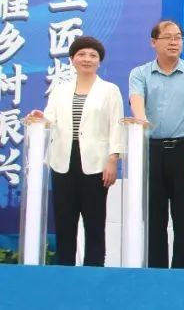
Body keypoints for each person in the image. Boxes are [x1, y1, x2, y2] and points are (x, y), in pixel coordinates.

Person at [27, 36, 124, 266]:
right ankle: (64, 271)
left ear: (99, 61)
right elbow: (50, 119)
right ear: (72, 59)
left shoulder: (109, 90)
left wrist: (113, 159)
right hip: (63, 161)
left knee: (94, 223)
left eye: (92, 55)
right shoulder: (60, 90)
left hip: (96, 164)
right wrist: (41, 118)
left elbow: (116, 127)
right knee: (64, 221)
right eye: (81, 54)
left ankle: (94, 271)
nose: (87, 59)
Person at [129, 20, 184, 269]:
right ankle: (156, 275)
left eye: (178, 37)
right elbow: (136, 101)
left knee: (183, 219)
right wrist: (141, 121)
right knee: (154, 220)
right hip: (152, 151)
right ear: (153, 42)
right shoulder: (140, 73)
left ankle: (181, 275)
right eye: (167, 37)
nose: (174, 42)